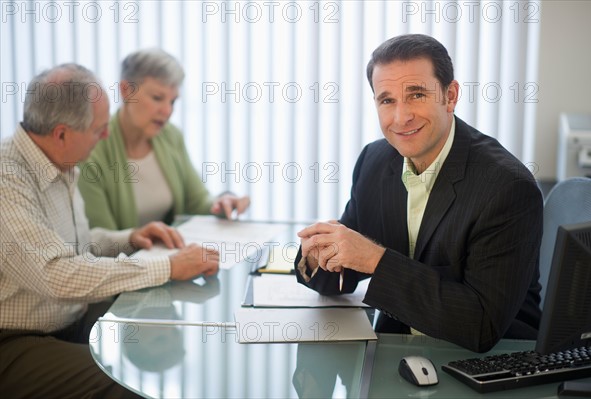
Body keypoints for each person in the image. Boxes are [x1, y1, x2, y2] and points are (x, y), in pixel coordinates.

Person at [295, 34, 543, 353]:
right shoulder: (375, 162)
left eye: (416, 95)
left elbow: (481, 325)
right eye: (387, 100)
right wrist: (317, 254)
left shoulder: (507, 188)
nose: (401, 117)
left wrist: (374, 259)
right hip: (399, 348)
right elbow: (340, 274)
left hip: (493, 358)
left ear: (450, 96)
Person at [0, 63, 220, 398]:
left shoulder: (60, 163)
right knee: (123, 384)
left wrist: (130, 238)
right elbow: (57, 275)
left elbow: (78, 248)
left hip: (71, 319)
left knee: (158, 315)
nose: (105, 136)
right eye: (98, 129)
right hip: (15, 339)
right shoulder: (8, 179)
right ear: (61, 134)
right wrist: (168, 265)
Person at [78, 48, 250, 230]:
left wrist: (222, 204)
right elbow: (103, 240)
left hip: (171, 254)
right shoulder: (92, 150)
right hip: (131, 258)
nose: (168, 111)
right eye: (157, 98)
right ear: (126, 90)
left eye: (173, 101)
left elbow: (198, 203)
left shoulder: (170, 136)